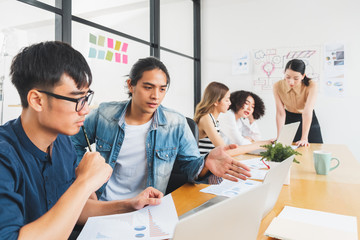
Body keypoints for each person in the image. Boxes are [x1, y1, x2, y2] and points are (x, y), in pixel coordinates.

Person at [0, 42, 163, 240]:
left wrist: (130, 205)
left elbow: (75, 209)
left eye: (86, 98)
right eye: (77, 99)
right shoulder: (5, 156)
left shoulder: (63, 143)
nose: (85, 109)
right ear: (37, 100)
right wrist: (84, 182)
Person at [71, 57, 251, 200]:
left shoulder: (176, 124)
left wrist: (206, 164)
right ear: (131, 85)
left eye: (162, 89)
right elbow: (72, 143)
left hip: (147, 206)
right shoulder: (104, 114)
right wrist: (85, 180)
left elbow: (191, 166)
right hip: (103, 204)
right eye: (148, 87)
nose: (155, 96)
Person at [194, 82, 271, 157]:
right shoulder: (207, 118)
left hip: (213, 163)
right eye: (227, 100)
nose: (230, 103)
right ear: (216, 102)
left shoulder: (214, 120)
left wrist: (259, 143)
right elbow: (224, 151)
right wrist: (258, 145)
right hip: (205, 165)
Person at [273, 59, 323, 147]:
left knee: (314, 150)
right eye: (287, 77)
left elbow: (307, 112)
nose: (291, 82)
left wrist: (304, 138)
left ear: (303, 76)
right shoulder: (277, 86)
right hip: (289, 119)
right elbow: (280, 113)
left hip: (308, 119)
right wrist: (279, 137)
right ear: (284, 73)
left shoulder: (312, 85)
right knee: (286, 150)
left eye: (296, 78)